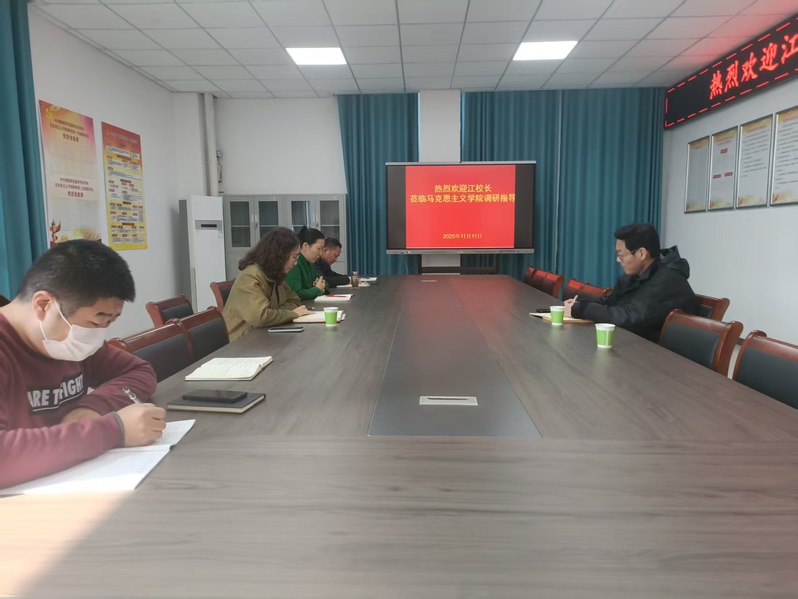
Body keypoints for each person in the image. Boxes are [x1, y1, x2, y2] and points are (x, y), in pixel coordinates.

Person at [0, 240, 164, 489]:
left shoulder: (70, 342)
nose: (99, 335)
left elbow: (138, 370)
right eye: (96, 322)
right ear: (44, 305)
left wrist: (93, 407)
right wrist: (113, 430)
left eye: (110, 322)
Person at [565, 223, 698, 342]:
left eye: (621, 255)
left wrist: (582, 309)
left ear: (641, 254)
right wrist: (579, 304)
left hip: (659, 355)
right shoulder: (634, 275)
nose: (618, 260)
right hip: (635, 343)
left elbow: (630, 317)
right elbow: (611, 302)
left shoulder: (668, 279)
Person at [223, 227, 313, 341]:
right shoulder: (251, 276)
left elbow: (295, 300)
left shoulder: (274, 275)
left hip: (262, 336)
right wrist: (292, 314)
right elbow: (260, 317)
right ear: (280, 255)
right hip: (241, 342)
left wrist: (276, 313)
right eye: (294, 257)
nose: (295, 263)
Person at [285, 226, 329, 300]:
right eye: (319, 249)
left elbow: (325, 283)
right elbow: (296, 294)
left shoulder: (310, 263)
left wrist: (320, 287)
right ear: (305, 245)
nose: (321, 253)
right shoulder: (294, 263)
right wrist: (317, 289)